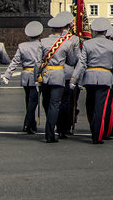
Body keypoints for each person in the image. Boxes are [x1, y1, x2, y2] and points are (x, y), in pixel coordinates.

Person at [73, 17, 113, 144]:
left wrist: (74, 78)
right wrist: (112, 69)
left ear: (94, 31)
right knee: (100, 107)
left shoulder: (87, 44)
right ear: (106, 32)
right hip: (105, 77)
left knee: (90, 105)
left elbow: (82, 63)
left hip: (90, 77)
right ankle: (97, 134)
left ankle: (93, 129)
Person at [37, 12, 81, 143]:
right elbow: (73, 61)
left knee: (47, 102)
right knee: (56, 104)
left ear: (51, 29)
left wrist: (36, 78)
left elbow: (37, 62)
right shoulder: (69, 42)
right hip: (61, 75)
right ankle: (55, 130)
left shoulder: (43, 42)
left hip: (45, 76)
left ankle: (53, 127)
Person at [4, 21, 44, 134]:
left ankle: (32, 123)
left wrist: (7, 74)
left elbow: (15, 61)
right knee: (33, 101)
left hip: (26, 75)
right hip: (37, 76)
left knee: (29, 100)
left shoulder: (22, 46)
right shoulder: (42, 45)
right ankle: (28, 123)